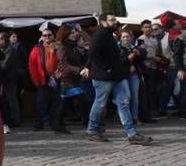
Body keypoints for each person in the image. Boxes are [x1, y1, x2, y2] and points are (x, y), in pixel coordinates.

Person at [86, 14, 152, 145]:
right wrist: (106, 68)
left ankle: (132, 134)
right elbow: (92, 53)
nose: (115, 21)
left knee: (123, 103)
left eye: (115, 19)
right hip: (103, 77)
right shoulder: (100, 35)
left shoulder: (109, 35)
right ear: (103, 22)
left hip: (117, 76)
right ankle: (92, 130)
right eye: (112, 20)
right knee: (100, 103)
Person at [28, 29, 68, 133]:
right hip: (43, 80)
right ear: (42, 37)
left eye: (49, 35)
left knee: (55, 102)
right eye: (44, 35)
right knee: (41, 103)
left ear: (53, 36)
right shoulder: (37, 49)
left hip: (56, 79)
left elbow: (63, 61)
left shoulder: (58, 47)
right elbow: (32, 65)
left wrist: (60, 72)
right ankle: (39, 124)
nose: (47, 37)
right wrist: (35, 80)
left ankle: (54, 123)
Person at [55, 24, 92, 130]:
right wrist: (80, 70)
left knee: (64, 103)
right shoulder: (62, 47)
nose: (75, 34)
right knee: (83, 100)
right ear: (66, 35)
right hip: (67, 80)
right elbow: (64, 65)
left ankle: (58, 124)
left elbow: (90, 42)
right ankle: (89, 124)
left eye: (75, 32)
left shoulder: (74, 47)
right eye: (72, 32)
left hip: (74, 79)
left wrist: (81, 31)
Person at [118, 31, 144, 123]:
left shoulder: (133, 47)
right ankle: (126, 118)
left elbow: (140, 59)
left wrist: (139, 52)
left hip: (133, 75)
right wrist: (133, 54)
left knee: (135, 97)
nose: (126, 38)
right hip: (123, 75)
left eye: (127, 36)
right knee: (127, 97)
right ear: (120, 38)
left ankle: (135, 117)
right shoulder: (118, 47)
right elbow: (121, 61)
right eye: (124, 37)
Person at [0, 32, 21, 128]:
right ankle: (10, 118)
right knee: (6, 100)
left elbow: (4, 65)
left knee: (12, 100)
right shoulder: (3, 50)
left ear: (3, 40)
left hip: (9, 79)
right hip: (4, 79)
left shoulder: (10, 50)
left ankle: (15, 120)